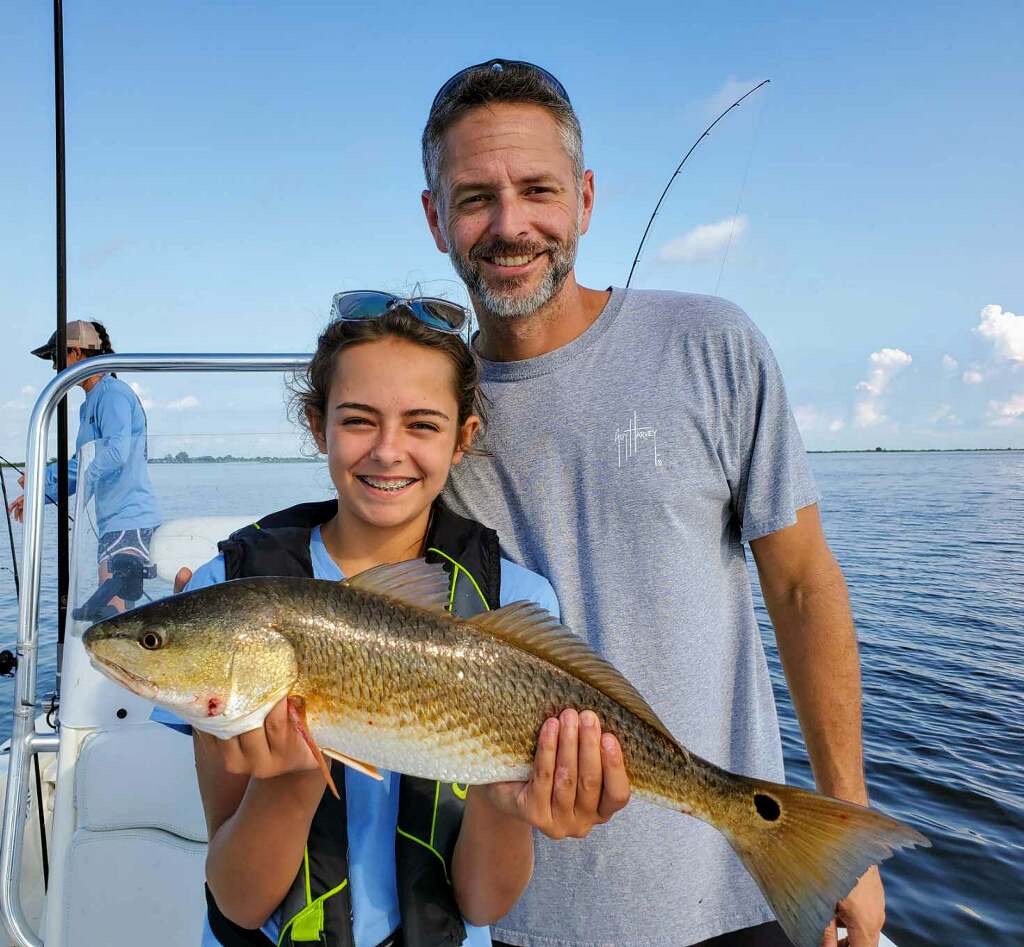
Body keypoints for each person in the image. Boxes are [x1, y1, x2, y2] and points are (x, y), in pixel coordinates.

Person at [419, 61, 883, 947]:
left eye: (538, 190)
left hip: (734, 890)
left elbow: (801, 585)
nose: (510, 225)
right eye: (475, 198)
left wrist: (843, 826)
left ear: (586, 199)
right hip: (516, 913)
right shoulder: (429, 414)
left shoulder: (712, 343)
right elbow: (361, 557)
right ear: (436, 217)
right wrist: (235, 575)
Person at [168, 295, 631, 947]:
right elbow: (240, 904)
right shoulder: (230, 596)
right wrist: (293, 779)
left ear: (462, 437)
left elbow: (482, 902)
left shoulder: (513, 602)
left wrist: (503, 805)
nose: (388, 451)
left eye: (422, 425)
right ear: (318, 425)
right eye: (359, 420)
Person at [8, 319, 161, 612]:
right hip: (111, 523)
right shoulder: (89, 403)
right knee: (114, 615)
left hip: (130, 520)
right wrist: (39, 490)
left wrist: (46, 478)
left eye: (57, 357)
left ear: (76, 353)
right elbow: (82, 465)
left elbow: (115, 453)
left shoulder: (113, 394)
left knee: (111, 612)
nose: (55, 366)